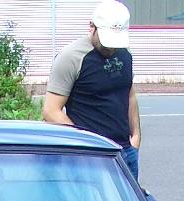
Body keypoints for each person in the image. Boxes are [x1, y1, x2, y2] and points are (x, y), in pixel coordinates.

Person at [43, 0, 142, 178]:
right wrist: (84, 144)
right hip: (90, 155)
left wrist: (135, 136)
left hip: (125, 152)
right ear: (92, 27)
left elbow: (129, 94)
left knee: (128, 198)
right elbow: (51, 111)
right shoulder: (71, 57)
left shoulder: (125, 53)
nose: (111, 47)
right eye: (106, 41)